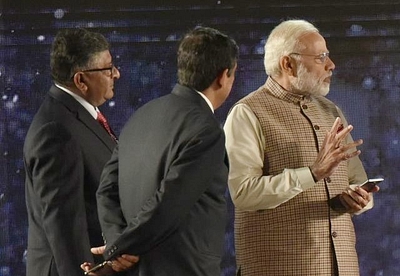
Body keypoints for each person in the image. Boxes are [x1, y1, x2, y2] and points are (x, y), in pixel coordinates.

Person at [224, 19, 379, 276]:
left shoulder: (332, 111)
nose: (331, 65)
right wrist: (313, 174)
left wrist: (360, 199)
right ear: (288, 64)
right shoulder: (248, 113)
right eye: (321, 57)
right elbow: (244, 193)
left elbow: (357, 181)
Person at [93, 27, 238, 276]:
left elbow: (106, 190)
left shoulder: (141, 115)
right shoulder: (207, 130)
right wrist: (117, 250)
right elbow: (169, 204)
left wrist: (117, 247)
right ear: (223, 76)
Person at [23, 28, 136, 275]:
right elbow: (64, 223)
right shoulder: (56, 130)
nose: (116, 73)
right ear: (81, 80)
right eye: (107, 69)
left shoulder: (78, 116)